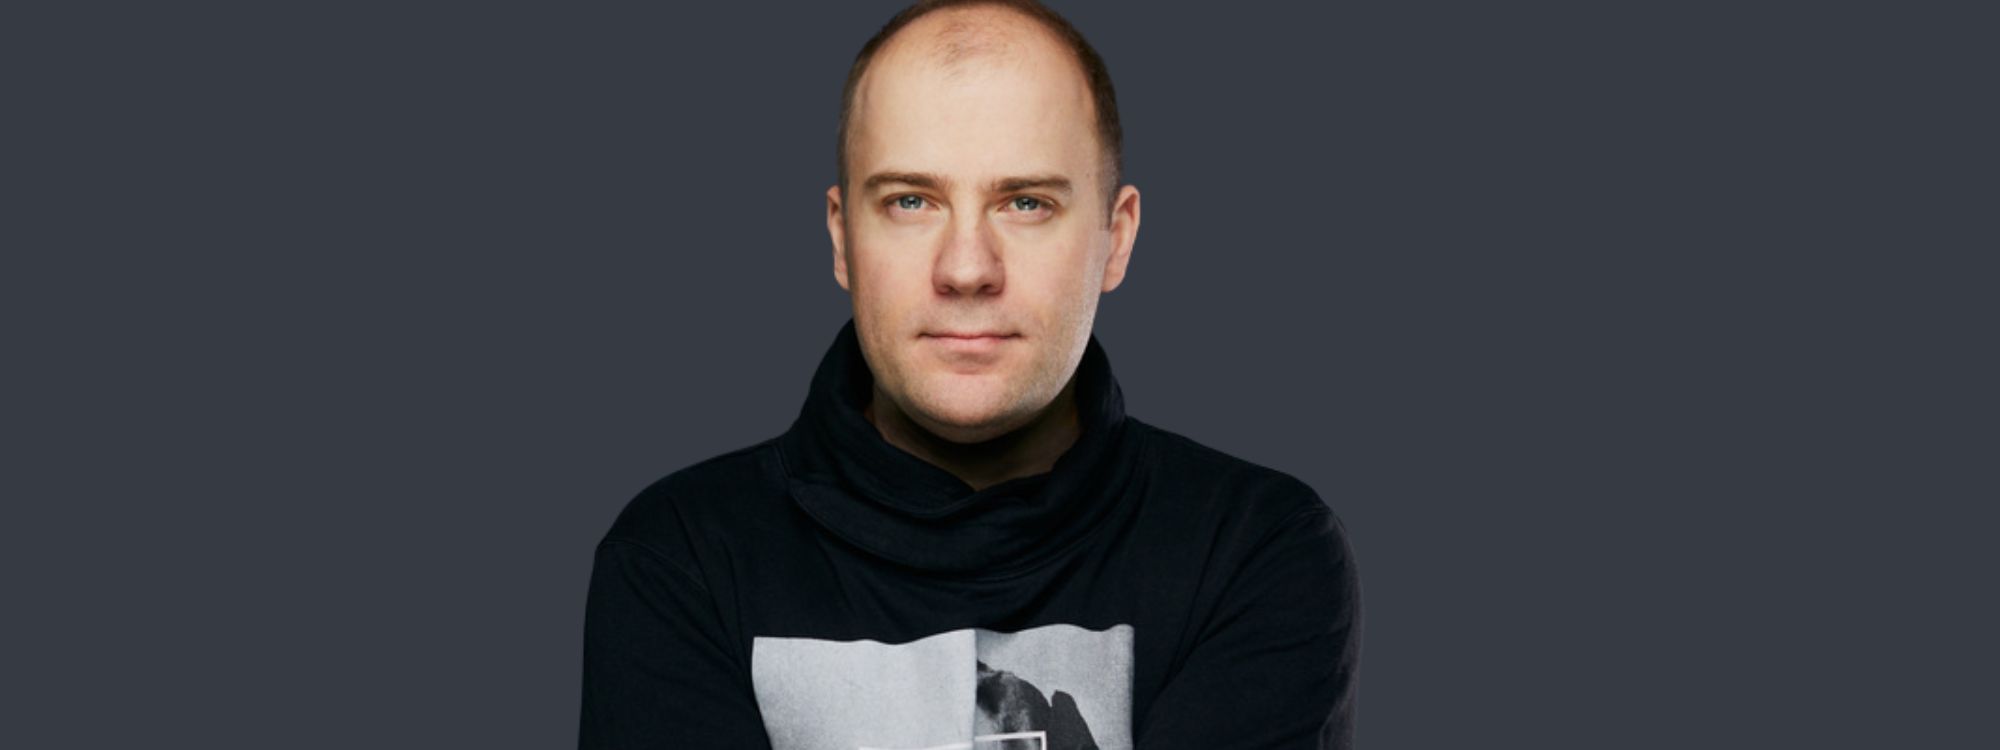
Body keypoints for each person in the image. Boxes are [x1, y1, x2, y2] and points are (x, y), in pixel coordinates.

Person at [578, 1, 1360, 748]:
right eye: (910, 201)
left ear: (1115, 238)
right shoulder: (680, 558)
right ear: (843, 239)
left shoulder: (1253, 548)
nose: (965, 269)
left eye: (1025, 203)